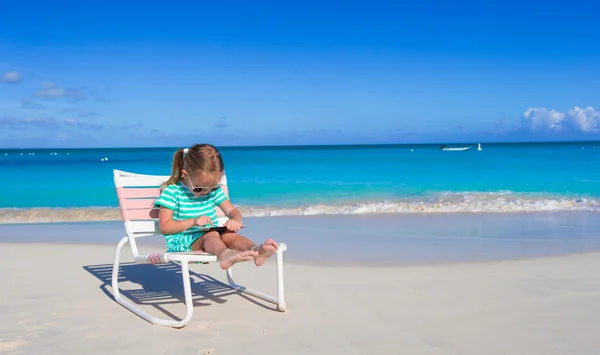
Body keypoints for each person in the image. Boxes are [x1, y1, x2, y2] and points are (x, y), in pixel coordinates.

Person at [154, 143, 278, 269]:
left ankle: (256, 251)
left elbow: (232, 211)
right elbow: (165, 227)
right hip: (184, 239)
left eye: (212, 187)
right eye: (199, 188)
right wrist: (193, 222)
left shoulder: (213, 191)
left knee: (230, 235)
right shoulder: (172, 192)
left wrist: (235, 220)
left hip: (211, 234)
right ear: (185, 175)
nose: (206, 192)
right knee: (211, 235)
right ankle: (225, 254)